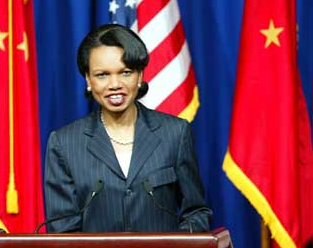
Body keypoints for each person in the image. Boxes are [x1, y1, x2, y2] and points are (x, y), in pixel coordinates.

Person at [44, 23, 212, 233]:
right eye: (102, 75)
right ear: (88, 79)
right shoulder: (64, 144)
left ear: (140, 76)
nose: (115, 84)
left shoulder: (175, 133)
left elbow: (197, 213)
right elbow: (62, 232)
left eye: (125, 72)